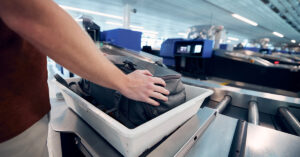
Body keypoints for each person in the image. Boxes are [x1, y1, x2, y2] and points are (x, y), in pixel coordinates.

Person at [0, 0, 169, 156]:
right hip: (12, 125)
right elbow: (35, 16)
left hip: (22, 111)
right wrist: (125, 82)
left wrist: (96, 58)